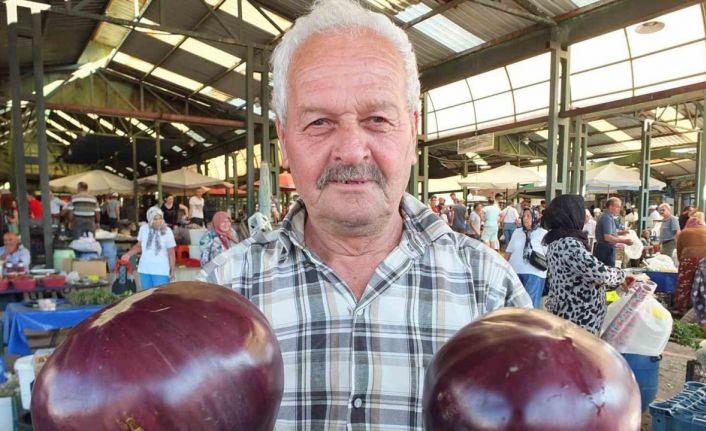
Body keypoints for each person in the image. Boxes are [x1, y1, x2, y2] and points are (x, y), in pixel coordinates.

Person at [198, 1, 531, 428]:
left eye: (377, 118)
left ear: (412, 133)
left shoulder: (490, 291)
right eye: (319, 122)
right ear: (284, 140)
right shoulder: (223, 294)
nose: (352, 150)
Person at [543, 195, 633, 335]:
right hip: (578, 322)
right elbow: (600, 273)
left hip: (568, 315)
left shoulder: (556, 242)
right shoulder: (569, 244)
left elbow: (586, 276)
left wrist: (619, 285)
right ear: (571, 215)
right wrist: (623, 275)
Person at [120, 207, 176, 289]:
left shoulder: (167, 231)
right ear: (149, 219)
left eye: (160, 218)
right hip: (144, 269)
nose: (158, 221)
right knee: (147, 297)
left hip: (161, 270)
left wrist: (173, 271)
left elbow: (171, 252)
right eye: (155, 219)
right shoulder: (144, 229)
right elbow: (139, 246)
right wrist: (128, 255)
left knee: (160, 297)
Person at [505, 207, 548, 308]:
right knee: (514, 305)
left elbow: (548, 255)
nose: (525, 218)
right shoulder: (517, 232)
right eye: (524, 216)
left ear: (536, 217)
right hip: (515, 272)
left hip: (535, 274)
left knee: (530, 306)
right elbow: (509, 252)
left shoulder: (543, 233)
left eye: (529, 216)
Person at [674, 212, 706, 314]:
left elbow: (679, 250)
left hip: (687, 259)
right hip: (704, 259)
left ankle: (681, 309)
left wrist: (682, 261)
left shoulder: (684, 232)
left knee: (684, 284)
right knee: (702, 284)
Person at [594, 197, 633, 267]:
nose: (619, 209)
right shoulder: (606, 217)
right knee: (608, 271)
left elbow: (609, 233)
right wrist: (625, 241)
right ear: (610, 207)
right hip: (605, 248)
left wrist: (621, 233)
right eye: (617, 207)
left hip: (605, 248)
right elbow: (608, 237)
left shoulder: (608, 216)